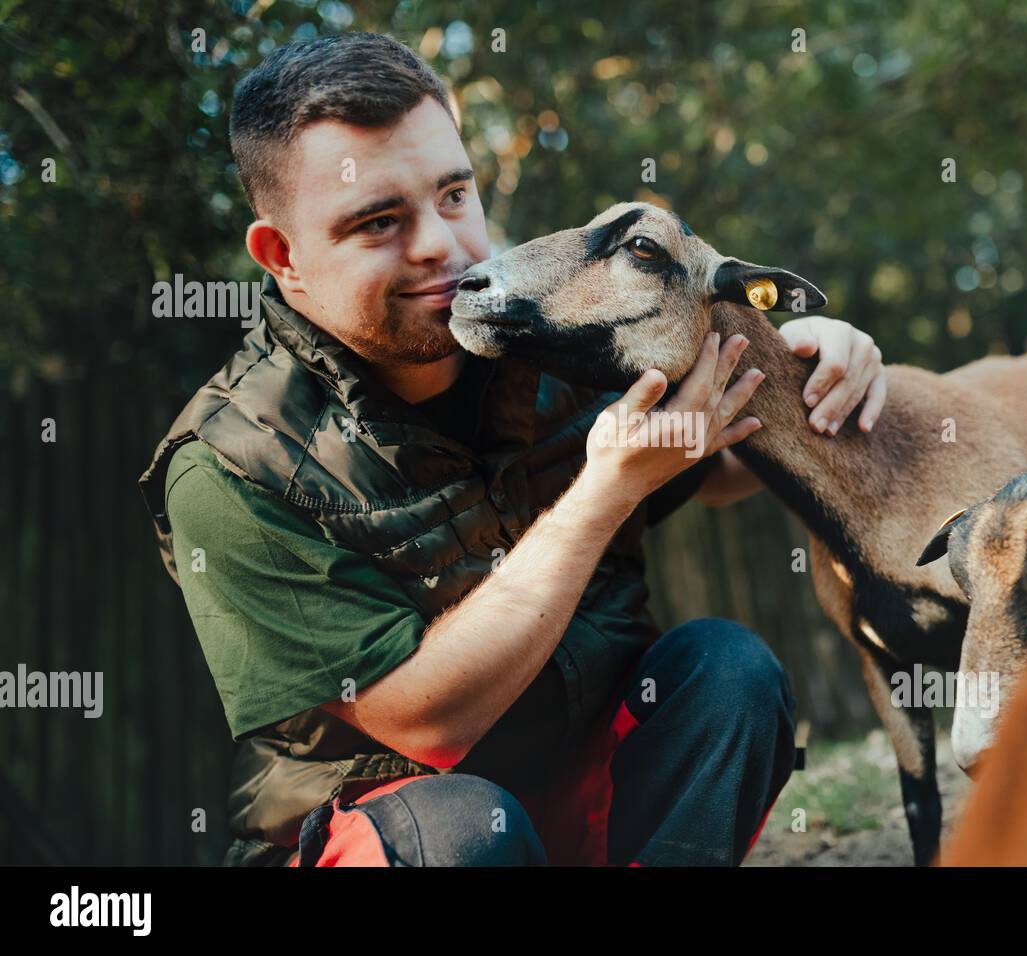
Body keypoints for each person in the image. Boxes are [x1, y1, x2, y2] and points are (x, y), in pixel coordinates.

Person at [138, 31, 888, 867]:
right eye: (379, 221)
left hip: (579, 798)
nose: (440, 246)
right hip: (397, 831)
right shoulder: (231, 462)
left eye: (454, 195)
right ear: (284, 257)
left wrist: (812, 368)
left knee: (728, 673)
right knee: (456, 831)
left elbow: (713, 460)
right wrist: (603, 493)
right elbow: (428, 723)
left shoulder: (551, 337)